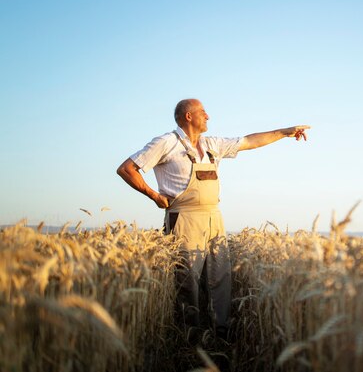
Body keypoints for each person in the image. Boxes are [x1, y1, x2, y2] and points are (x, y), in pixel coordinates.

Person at [116, 98, 309, 340]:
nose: (208, 117)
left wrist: (284, 132)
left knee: (221, 276)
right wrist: (153, 195)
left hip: (214, 218)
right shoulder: (166, 143)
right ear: (188, 116)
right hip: (184, 218)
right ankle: (190, 337)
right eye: (203, 112)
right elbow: (126, 169)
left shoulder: (211, 145)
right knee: (188, 280)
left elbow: (249, 141)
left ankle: (221, 333)